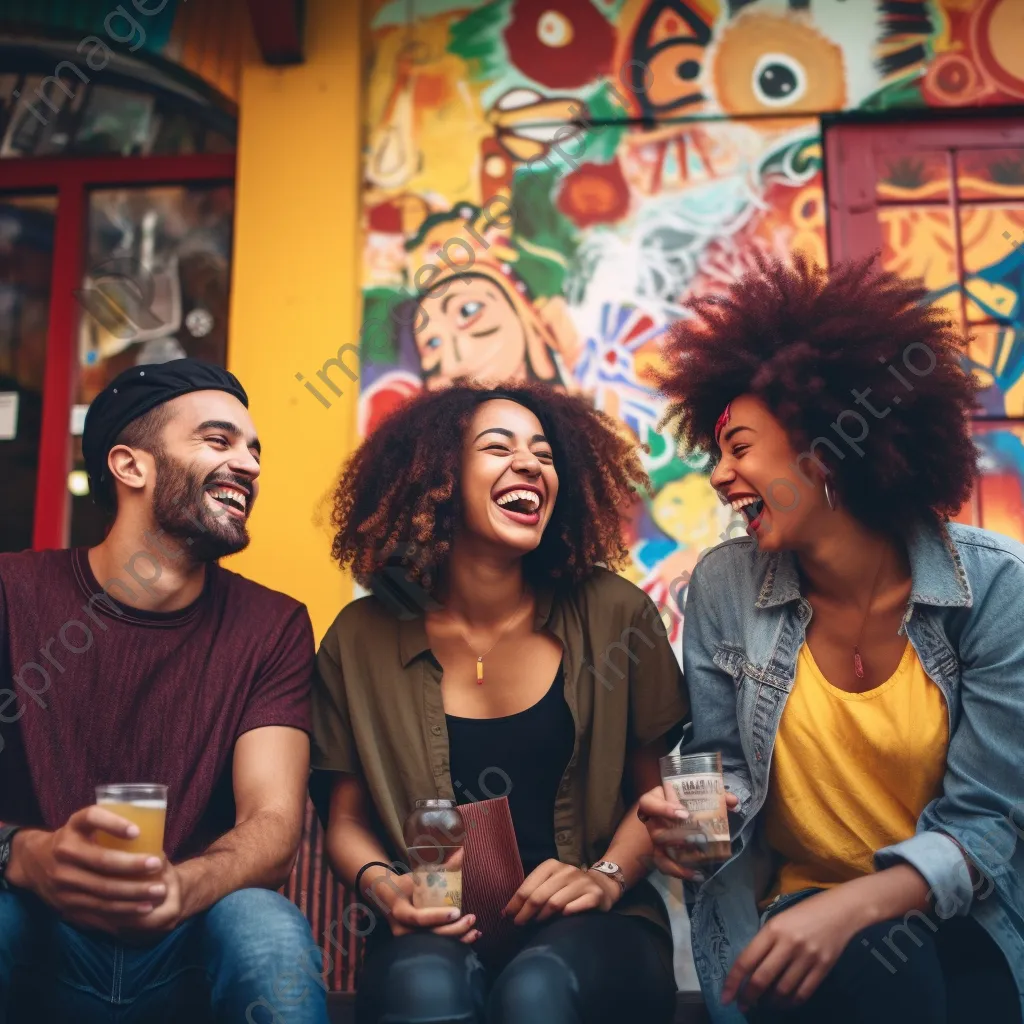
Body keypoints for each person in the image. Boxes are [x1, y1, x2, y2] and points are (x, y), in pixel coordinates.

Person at [636, 255, 1023, 1023]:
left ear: (823, 449)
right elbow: (729, 770)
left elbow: (990, 823)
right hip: (793, 923)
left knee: (907, 966)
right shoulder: (722, 589)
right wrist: (695, 824)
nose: (718, 476)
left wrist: (860, 905)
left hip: (961, 917)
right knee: (877, 976)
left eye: (739, 448)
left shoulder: (995, 589)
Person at [310, 381, 687, 1024]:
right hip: (436, 926)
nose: (530, 464)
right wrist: (385, 886)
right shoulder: (361, 637)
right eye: (497, 446)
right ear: (436, 479)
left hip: (596, 925)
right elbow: (344, 820)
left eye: (543, 453)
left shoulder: (614, 614)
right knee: (424, 993)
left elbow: (654, 802)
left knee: (535, 994)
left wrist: (603, 877)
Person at [0, 359, 327, 1024]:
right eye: (218, 441)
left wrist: (184, 885)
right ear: (131, 466)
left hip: (187, 938)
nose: (251, 465)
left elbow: (271, 821)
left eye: (254, 449)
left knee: (265, 926)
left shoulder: (273, 625)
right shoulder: (11, 593)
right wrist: (29, 856)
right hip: (35, 931)